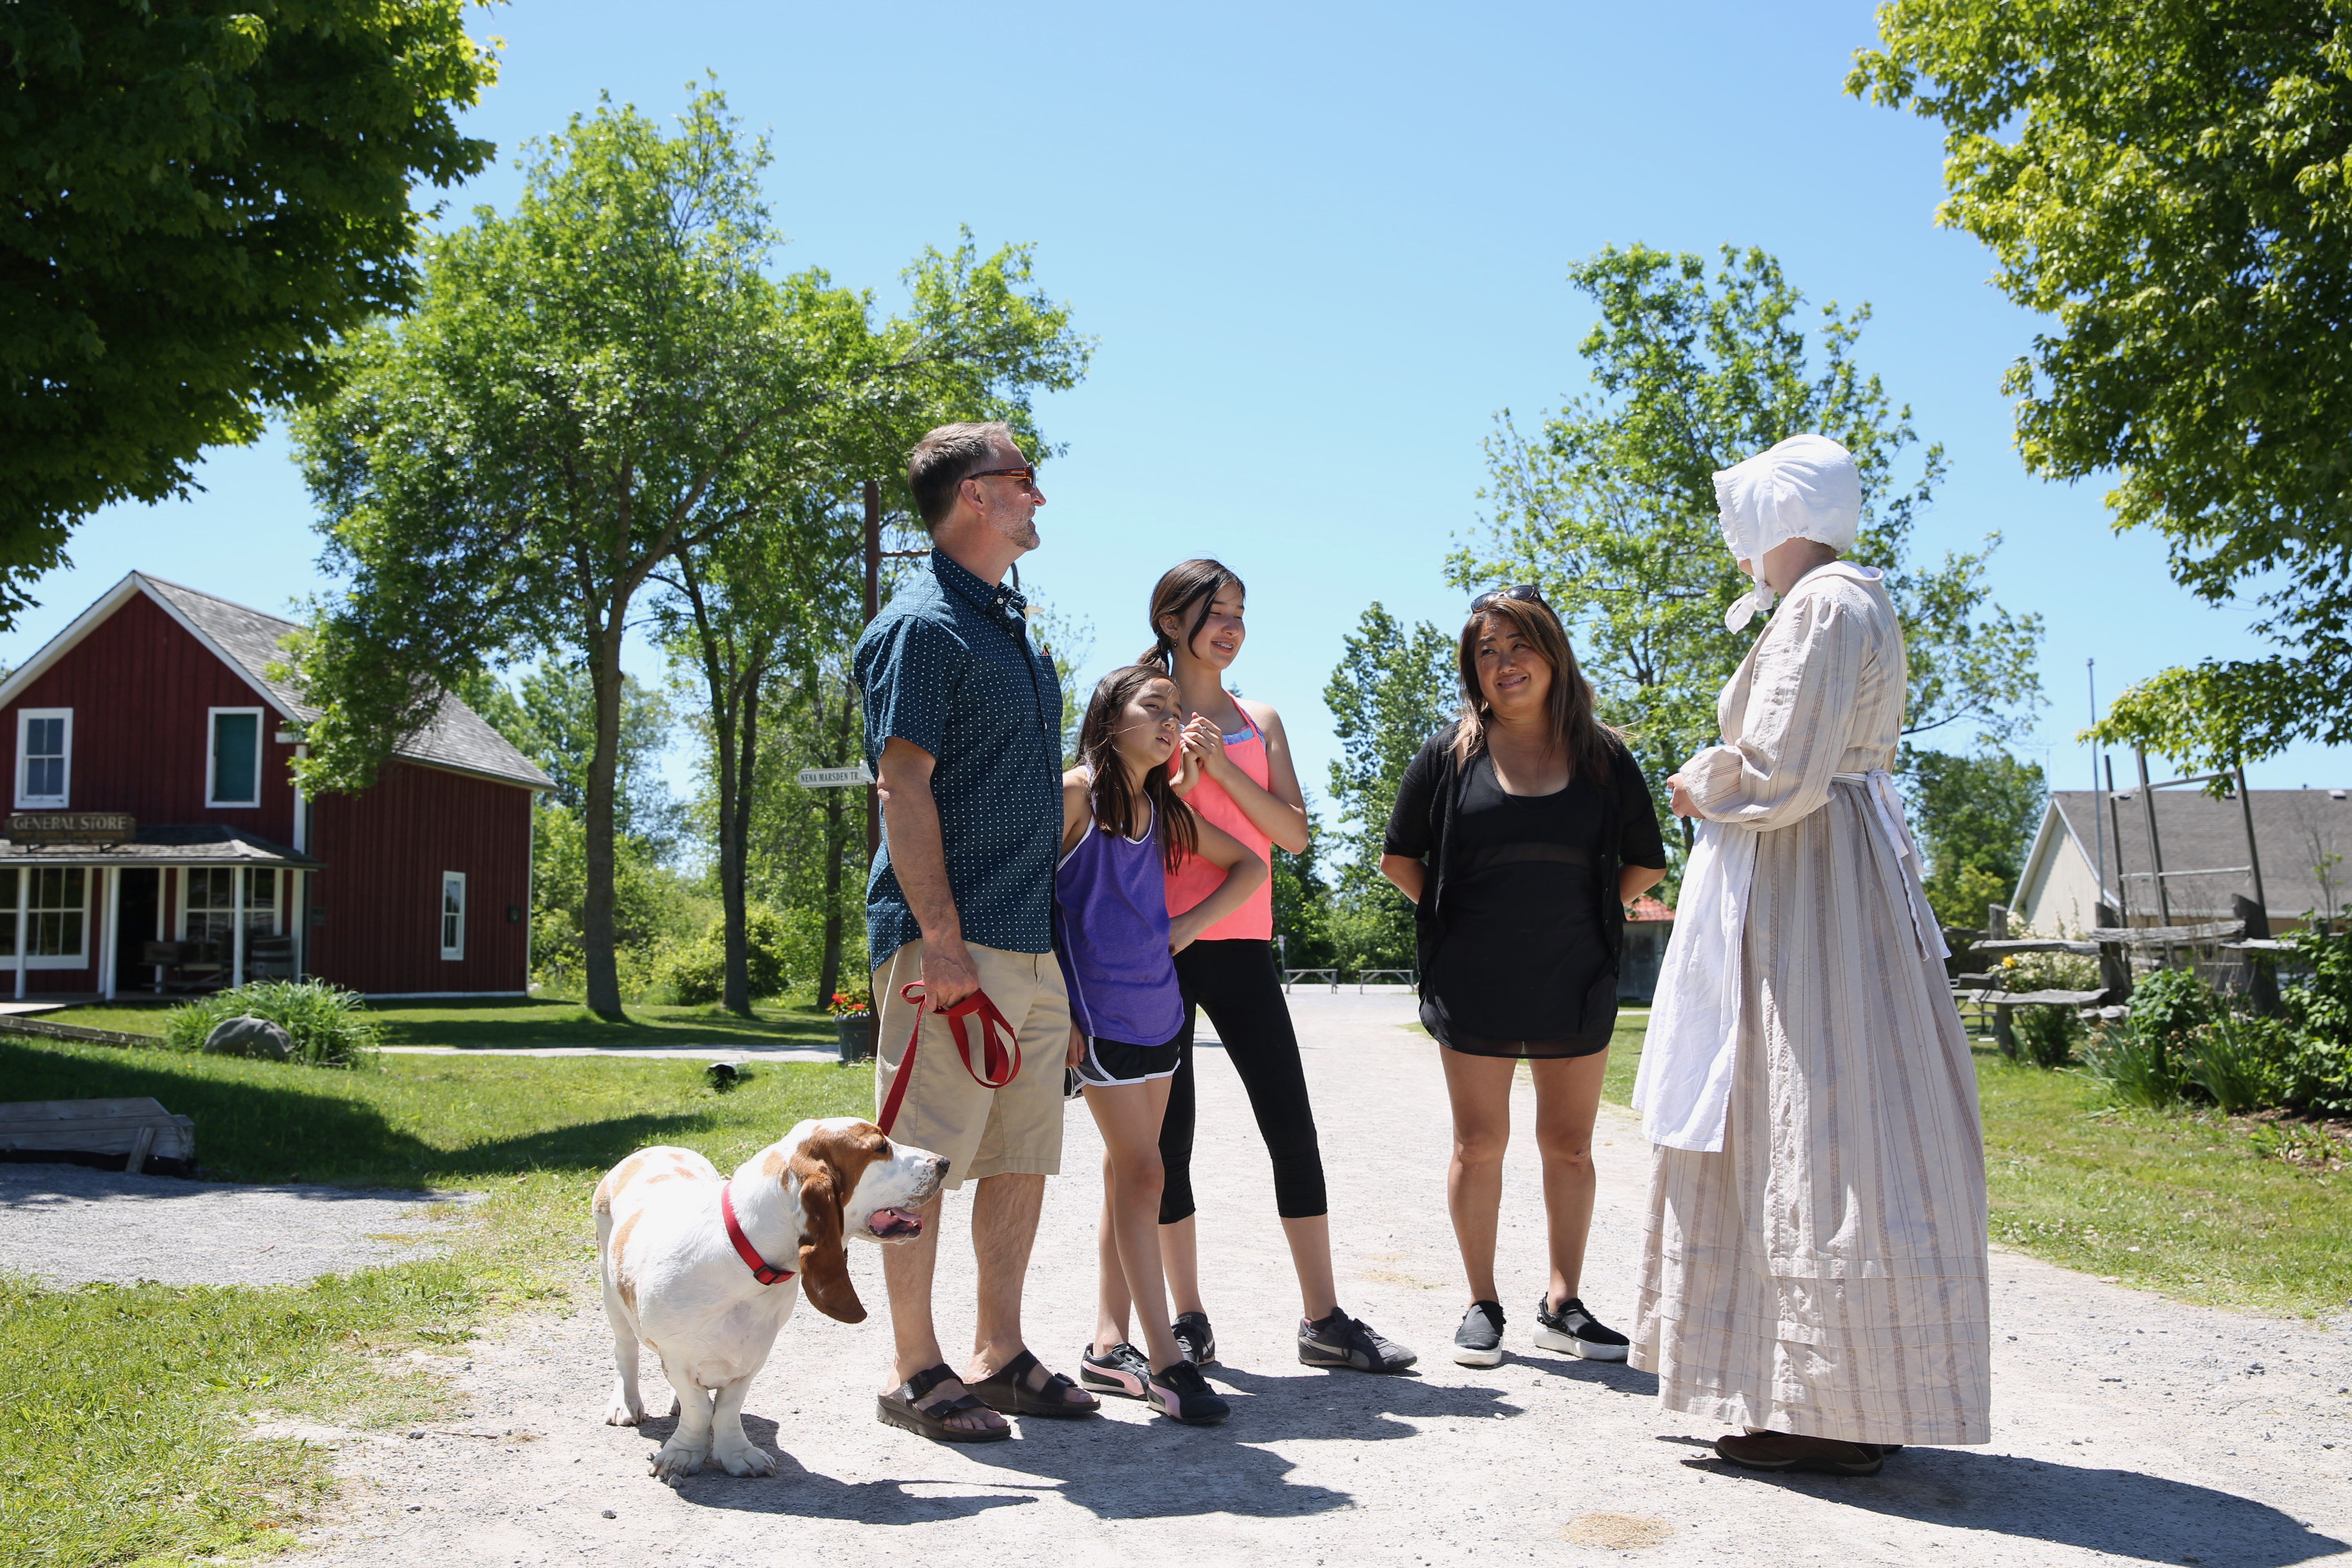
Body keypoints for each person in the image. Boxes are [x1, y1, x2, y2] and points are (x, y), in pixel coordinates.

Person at [1632, 433, 1991, 1477]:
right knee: (1809, 1115)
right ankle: (1822, 1389)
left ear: (1780, 517)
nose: (1735, 538)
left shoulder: (1827, 603)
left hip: (1811, 884)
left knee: (1814, 1116)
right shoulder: (1839, 601)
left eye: (1745, 516)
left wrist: (1705, 786)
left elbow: (1782, 770)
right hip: (1820, 875)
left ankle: (1826, 1403)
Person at [855, 420, 1099, 1443]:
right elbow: (900, 785)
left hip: (1028, 946)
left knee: (1019, 1157)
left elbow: (1009, 793)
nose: (1039, 497)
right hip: (948, 950)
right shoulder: (924, 625)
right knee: (919, 1159)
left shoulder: (1006, 624)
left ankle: (998, 1352)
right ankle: (917, 1372)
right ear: (973, 498)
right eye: (1023, 480)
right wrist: (943, 942)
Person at [1112, 558, 1416, 1374]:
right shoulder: (1142, 712)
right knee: (1169, 1142)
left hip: (1244, 947)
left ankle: (1322, 1318)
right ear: (1173, 622)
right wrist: (1179, 764)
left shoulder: (1262, 720)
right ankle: (1186, 1319)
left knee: (1291, 1125)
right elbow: (1123, 814)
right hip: (1159, 952)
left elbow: (1294, 836)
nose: (1233, 625)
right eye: (1217, 611)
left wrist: (1220, 772)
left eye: (1241, 611)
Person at [1380, 587, 1668, 1368]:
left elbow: (1646, 860)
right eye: (1486, 652)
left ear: (1551, 652)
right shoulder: (1449, 756)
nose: (1504, 664)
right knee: (1480, 1145)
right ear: (1473, 671)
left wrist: (1586, 917)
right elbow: (1399, 858)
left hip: (1576, 973)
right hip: (1472, 974)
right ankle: (1482, 1304)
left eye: (1518, 646)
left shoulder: (1605, 756)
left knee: (1569, 1146)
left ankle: (1562, 1303)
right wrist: (1456, 920)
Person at [1055, 665, 1265, 1425]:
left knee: (1130, 1173)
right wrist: (1056, 1007)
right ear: (1111, 717)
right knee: (1147, 1173)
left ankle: (1107, 1347)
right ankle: (1167, 1363)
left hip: (1161, 1015)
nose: (1173, 718)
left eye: (1177, 708)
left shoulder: (1162, 806)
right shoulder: (1075, 792)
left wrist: (1183, 928)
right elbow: (1028, 892)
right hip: (1099, 1019)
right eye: (1156, 706)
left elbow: (1250, 863)